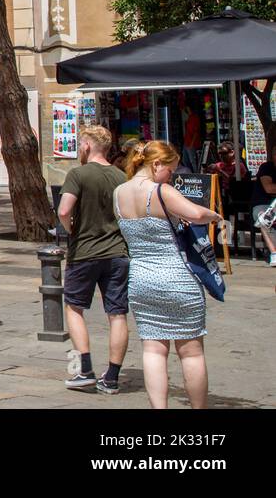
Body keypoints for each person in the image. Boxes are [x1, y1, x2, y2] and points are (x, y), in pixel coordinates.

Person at [114, 140, 224, 409]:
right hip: (177, 278)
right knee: (191, 352)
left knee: (153, 349)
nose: (172, 176)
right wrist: (214, 215)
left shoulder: (119, 192)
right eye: (171, 170)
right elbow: (197, 214)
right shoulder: (160, 191)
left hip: (141, 279)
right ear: (156, 164)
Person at [57, 126, 129, 394]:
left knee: (74, 308)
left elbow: (64, 209)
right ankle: (111, 377)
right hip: (118, 252)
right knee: (117, 313)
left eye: (80, 145)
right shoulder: (121, 176)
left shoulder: (78, 174)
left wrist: (71, 227)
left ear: (87, 146)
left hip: (85, 252)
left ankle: (84, 370)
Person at [211, 141, 249, 215]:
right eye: (220, 154)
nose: (221, 156)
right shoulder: (219, 165)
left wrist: (220, 171)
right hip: (219, 196)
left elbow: (234, 182)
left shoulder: (239, 166)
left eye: (224, 153)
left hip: (234, 197)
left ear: (232, 152)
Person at [253, 159, 276, 265]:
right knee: (263, 217)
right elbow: (269, 188)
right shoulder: (266, 167)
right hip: (264, 203)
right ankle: (274, 253)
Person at [181, 107, 203, 173]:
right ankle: (189, 173)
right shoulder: (189, 118)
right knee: (185, 160)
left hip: (191, 143)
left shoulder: (194, 118)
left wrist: (192, 143)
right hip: (186, 142)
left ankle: (196, 174)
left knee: (193, 161)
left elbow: (196, 132)